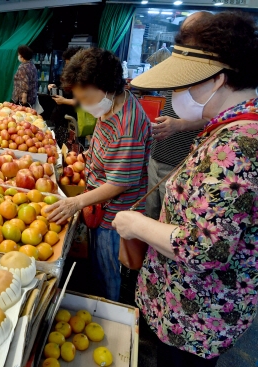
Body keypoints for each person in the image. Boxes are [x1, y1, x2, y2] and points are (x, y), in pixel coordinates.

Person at [114, 12, 258, 367]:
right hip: (194, 305)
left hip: (198, 315)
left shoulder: (240, 145)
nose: (177, 93)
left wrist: (135, 225)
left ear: (219, 79)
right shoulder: (247, 126)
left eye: (186, 84)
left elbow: (203, 248)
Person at [46, 48, 152, 302]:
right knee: (97, 265)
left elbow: (119, 184)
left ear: (105, 87)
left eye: (85, 96)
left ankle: (109, 310)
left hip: (115, 216)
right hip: (99, 207)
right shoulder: (111, 106)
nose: (82, 102)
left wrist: (76, 202)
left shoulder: (127, 127)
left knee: (108, 272)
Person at [146, 11, 211, 221]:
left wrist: (181, 124)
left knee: (169, 221)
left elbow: (217, 117)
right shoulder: (181, 66)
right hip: (157, 155)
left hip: (181, 162)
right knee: (150, 215)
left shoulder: (210, 74)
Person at [47, 46, 82, 146]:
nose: (66, 66)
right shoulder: (70, 75)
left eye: (68, 63)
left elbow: (81, 101)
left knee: (68, 148)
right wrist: (55, 87)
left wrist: (64, 101)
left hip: (71, 121)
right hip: (61, 118)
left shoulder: (82, 79)